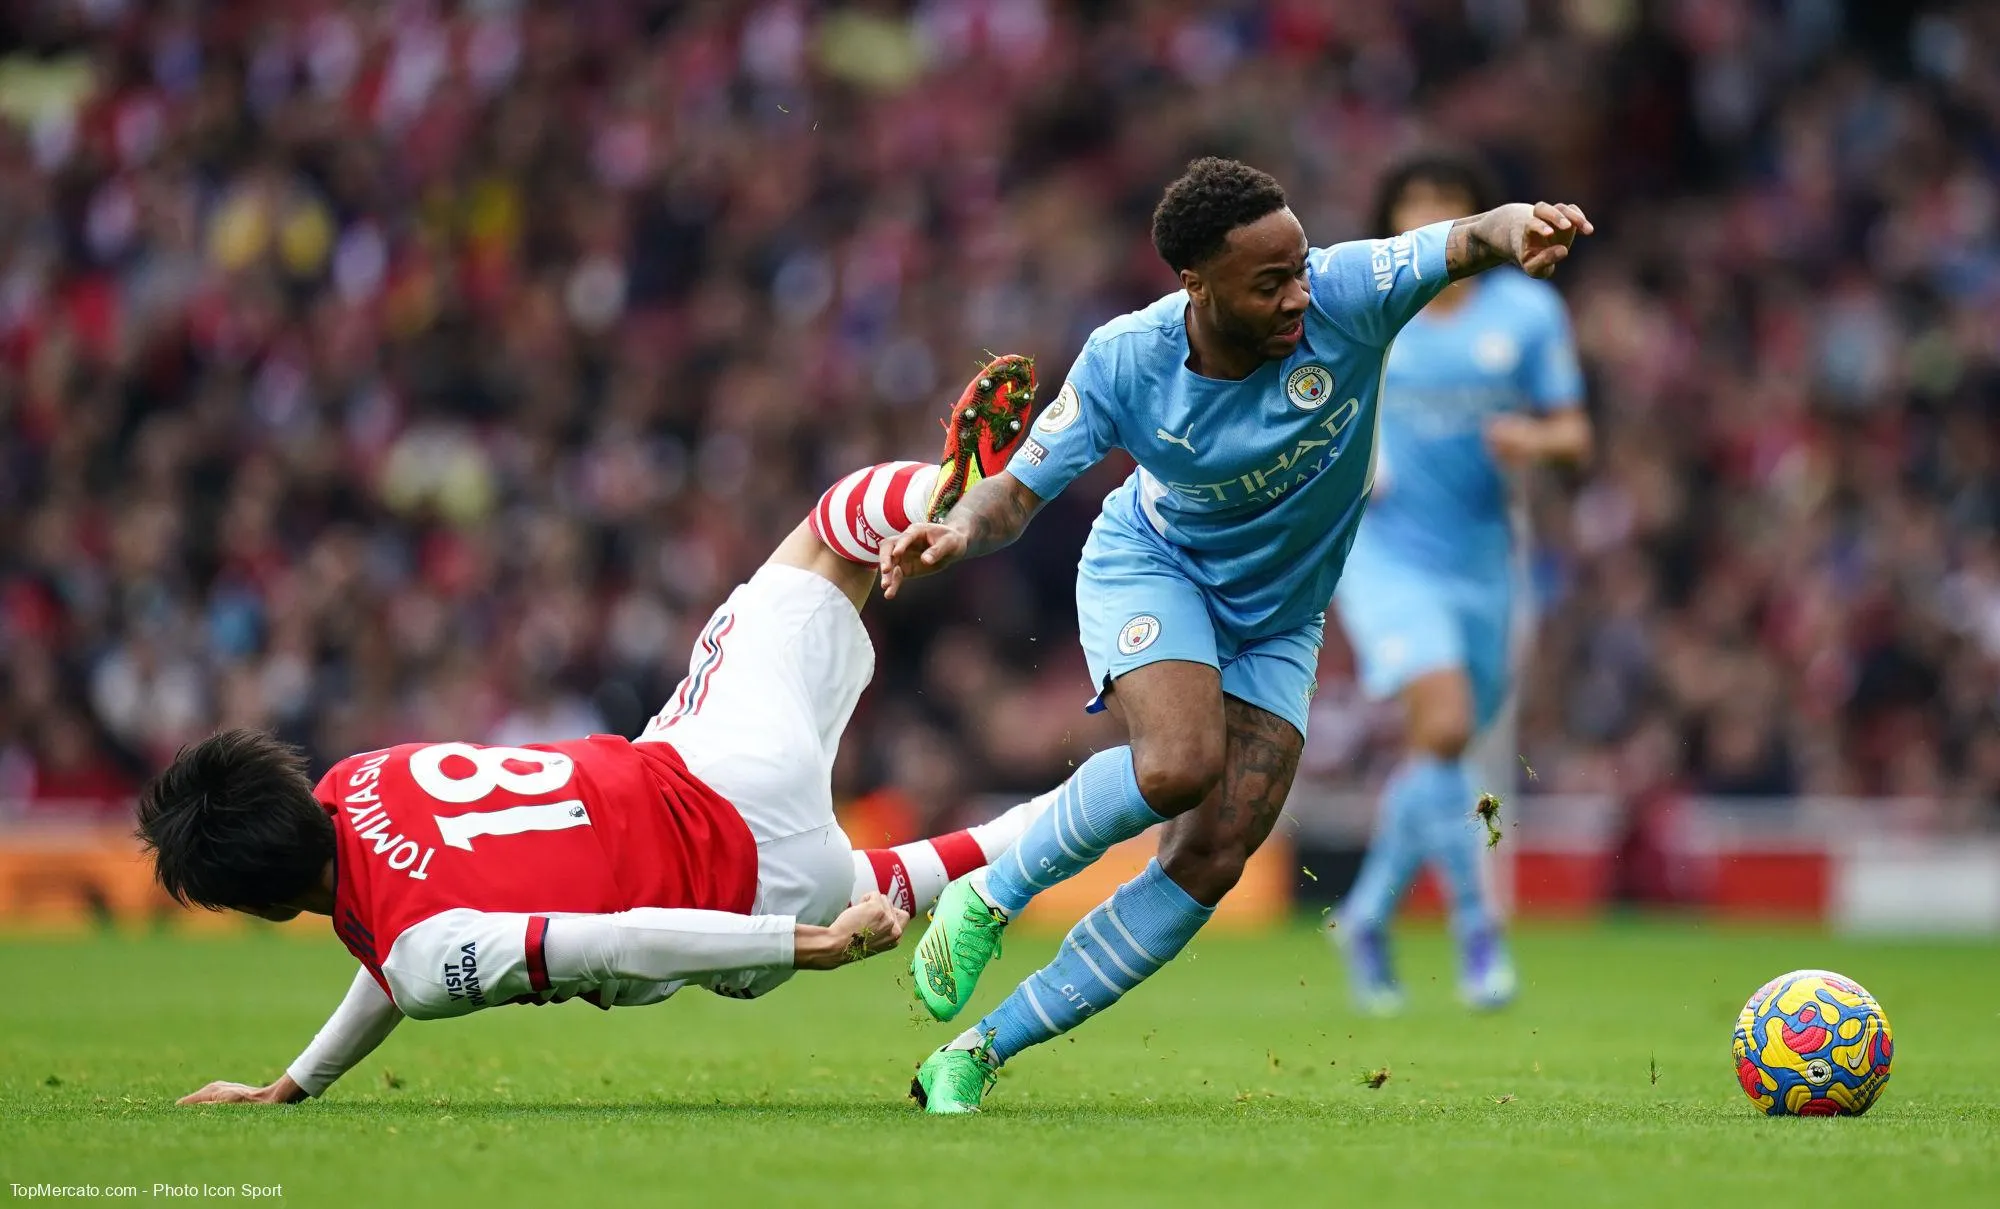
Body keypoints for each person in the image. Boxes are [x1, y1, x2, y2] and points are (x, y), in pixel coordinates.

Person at [879, 157, 1593, 1112]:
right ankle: (990, 894)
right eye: (1270, 282)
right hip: (1158, 566)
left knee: (1213, 857)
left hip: (1284, 614)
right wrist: (956, 529)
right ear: (1195, 284)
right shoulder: (1125, 360)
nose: (1299, 293)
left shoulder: (1348, 295)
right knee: (1178, 763)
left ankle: (977, 1053)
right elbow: (1012, 495)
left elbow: (1468, 237)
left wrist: (1522, 227)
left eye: (1299, 267)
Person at [145, 357, 1045, 1106]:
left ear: (259, 903)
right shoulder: (355, 780)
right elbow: (391, 938)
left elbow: (608, 941)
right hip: (707, 755)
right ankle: (941, 508)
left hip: (743, 893)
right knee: (826, 538)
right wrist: (293, 1085)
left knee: (873, 883)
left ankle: (1087, 809)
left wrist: (815, 944)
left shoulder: (419, 954)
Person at [1330, 154, 1591, 1014]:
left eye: (1448, 208)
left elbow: (1575, 436)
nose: (1431, 224)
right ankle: (1480, 931)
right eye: (1415, 210)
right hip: (1385, 554)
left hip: (1486, 559)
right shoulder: (1372, 307)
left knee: (1441, 752)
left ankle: (1366, 915)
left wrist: (1531, 440)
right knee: (1442, 726)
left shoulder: (1526, 311)